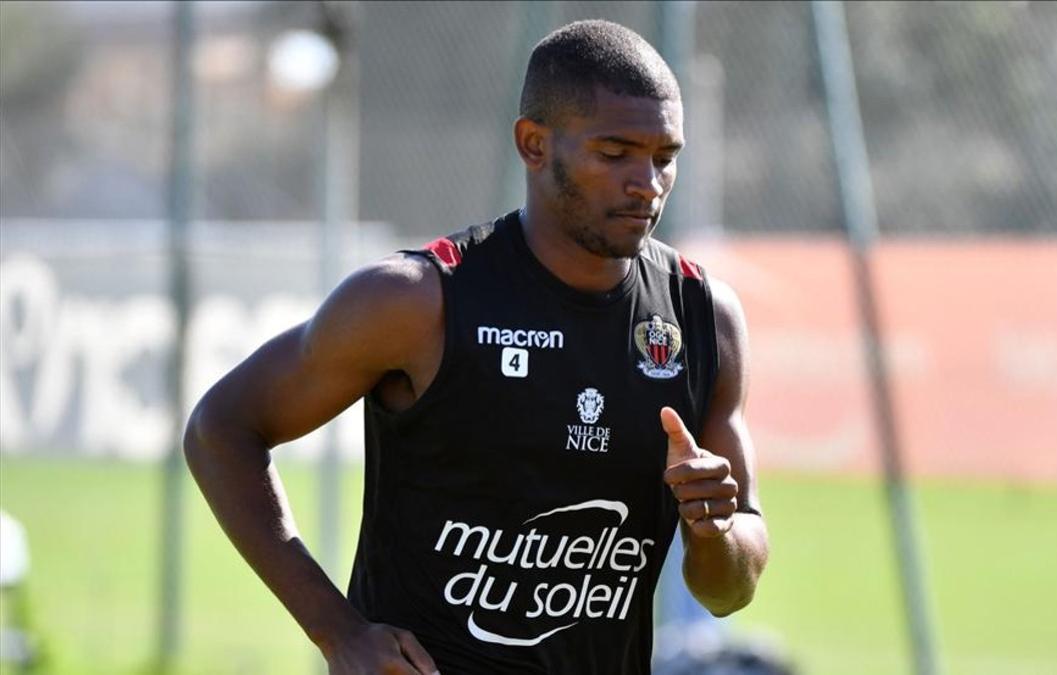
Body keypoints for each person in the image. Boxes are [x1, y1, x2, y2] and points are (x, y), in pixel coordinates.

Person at [184, 19, 768, 675]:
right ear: (534, 144)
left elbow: (727, 590)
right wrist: (336, 628)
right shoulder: (417, 300)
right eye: (614, 153)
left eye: (664, 157)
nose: (647, 182)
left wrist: (713, 529)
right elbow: (220, 429)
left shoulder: (701, 318)